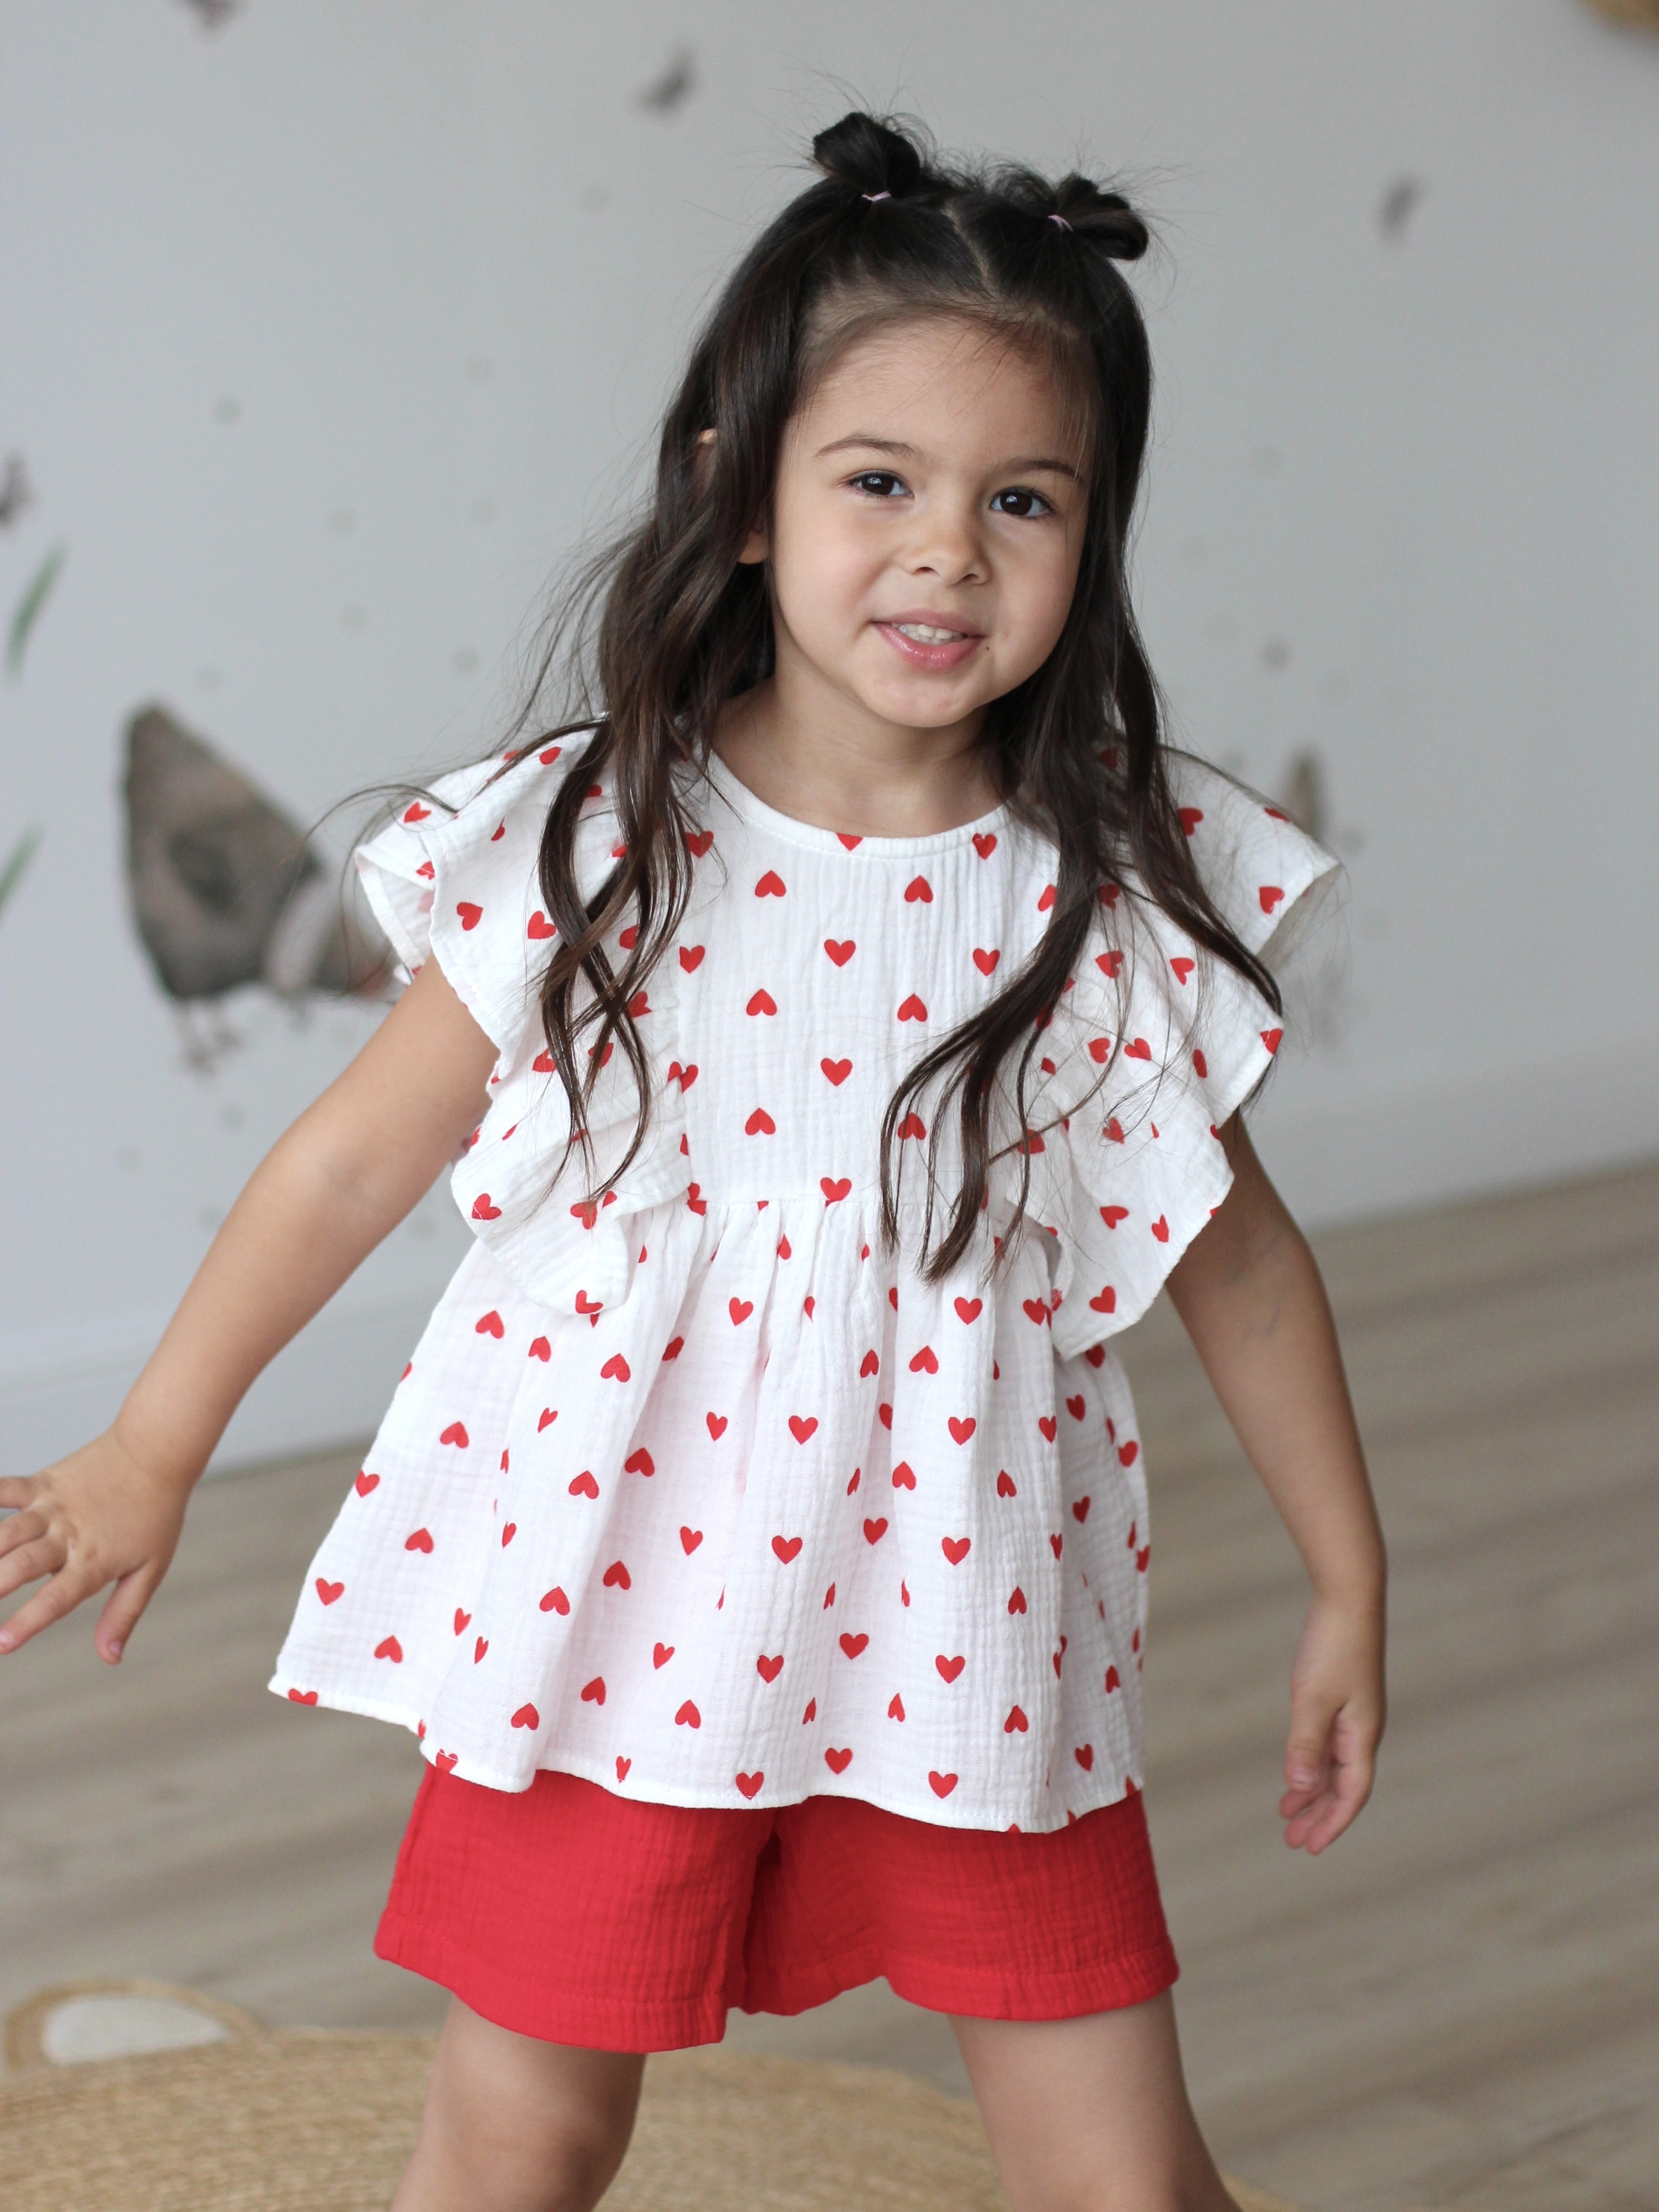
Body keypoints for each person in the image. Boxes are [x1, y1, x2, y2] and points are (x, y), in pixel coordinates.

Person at [0, 112, 1386, 2212]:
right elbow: (348, 1163)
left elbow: (1244, 1263)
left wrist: (1349, 1574)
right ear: (743, 496)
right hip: (616, 1617)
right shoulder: (600, 843)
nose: (948, 552)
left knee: (1122, 2173)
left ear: (1091, 538)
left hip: (970, 1613)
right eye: (881, 483)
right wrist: (150, 1446)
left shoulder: (1109, 888)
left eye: (1022, 499)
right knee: (523, 2134)